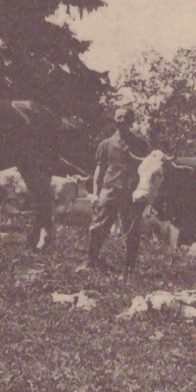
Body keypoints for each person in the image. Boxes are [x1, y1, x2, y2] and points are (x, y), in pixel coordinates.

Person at [84, 110, 150, 273]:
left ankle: (129, 268)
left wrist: (144, 194)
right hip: (110, 190)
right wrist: (95, 194)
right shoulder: (105, 145)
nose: (122, 120)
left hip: (131, 194)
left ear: (132, 121)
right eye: (119, 117)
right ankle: (91, 262)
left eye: (126, 118)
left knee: (132, 231)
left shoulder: (141, 145)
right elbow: (99, 171)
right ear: (114, 120)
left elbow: (148, 170)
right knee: (98, 227)